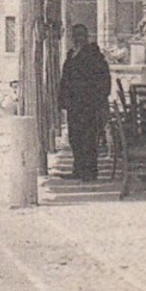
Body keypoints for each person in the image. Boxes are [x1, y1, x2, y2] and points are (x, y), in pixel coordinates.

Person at [60, 24, 112, 181]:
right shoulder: (70, 55)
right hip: (74, 105)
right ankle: (78, 169)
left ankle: (90, 172)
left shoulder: (93, 55)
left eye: (81, 35)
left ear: (86, 37)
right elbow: (66, 79)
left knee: (88, 138)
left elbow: (104, 80)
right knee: (75, 138)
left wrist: (97, 99)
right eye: (75, 36)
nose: (78, 39)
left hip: (89, 105)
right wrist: (63, 100)